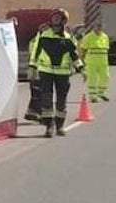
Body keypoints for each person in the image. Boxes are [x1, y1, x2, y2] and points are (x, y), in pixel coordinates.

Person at [29, 8, 81, 137]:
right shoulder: (44, 34)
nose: (55, 19)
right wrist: (32, 68)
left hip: (63, 74)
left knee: (61, 100)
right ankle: (49, 126)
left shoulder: (69, 37)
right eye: (54, 17)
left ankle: (60, 125)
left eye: (58, 17)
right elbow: (36, 50)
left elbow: (74, 55)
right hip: (45, 72)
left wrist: (81, 69)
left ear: (63, 20)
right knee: (46, 99)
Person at [79, 21, 111, 102]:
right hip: (91, 62)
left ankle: (101, 93)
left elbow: (106, 49)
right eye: (98, 26)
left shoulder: (105, 37)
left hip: (103, 62)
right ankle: (93, 96)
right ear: (94, 27)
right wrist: (81, 60)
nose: (99, 28)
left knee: (105, 77)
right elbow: (82, 49)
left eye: (101, 26)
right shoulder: (88, 37)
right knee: (92, 78)